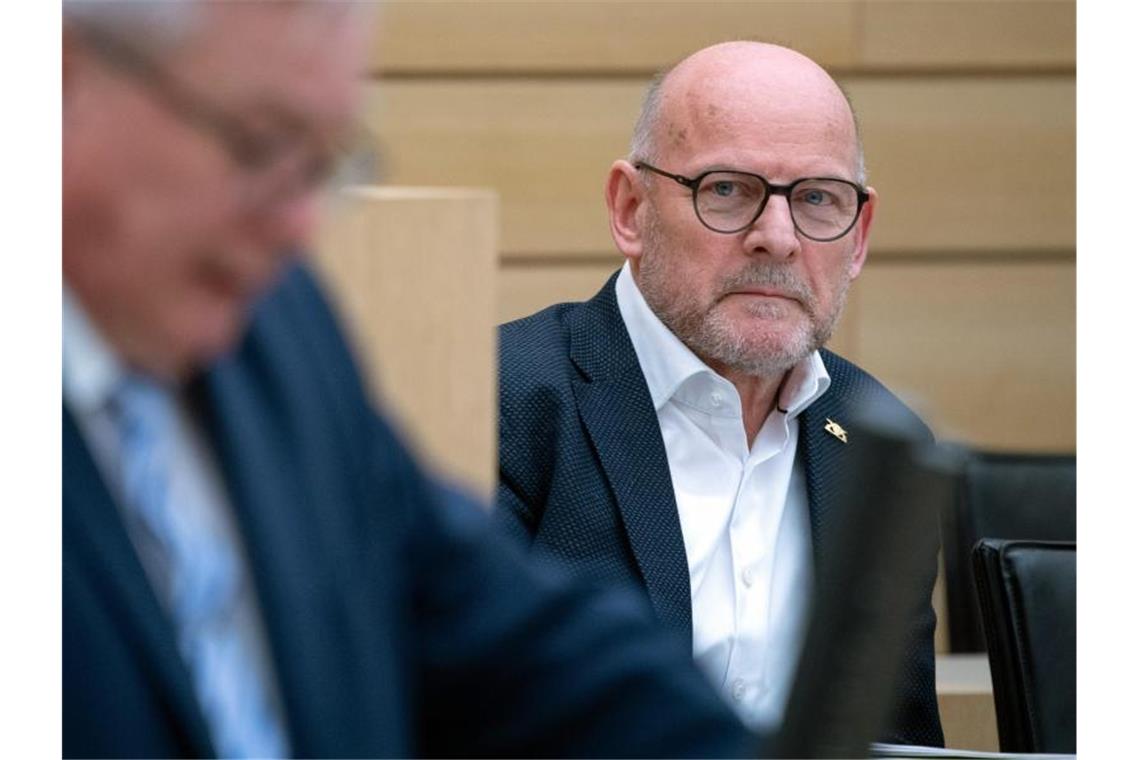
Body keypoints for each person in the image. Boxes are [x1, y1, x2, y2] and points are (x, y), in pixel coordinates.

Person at [62, 3, 759, 757]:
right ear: (63, 79)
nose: (300, 223)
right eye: (258, 145)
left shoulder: (275, 326)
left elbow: (495, 627)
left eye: (322, 163)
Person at [496, 41, 944, 746]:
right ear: (630, 208)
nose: (777, 238)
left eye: (817, 199)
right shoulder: (504, 400)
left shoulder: (880, 445)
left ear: (858, 238)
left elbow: (898, 739)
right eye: (727, 190)